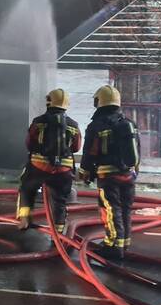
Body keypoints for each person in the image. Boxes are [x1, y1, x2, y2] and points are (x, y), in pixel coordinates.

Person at [79, 84, 141, 262]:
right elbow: (138, 150)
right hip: (128, 175)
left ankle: (113, 246)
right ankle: (124, 243)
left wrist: (85, 172)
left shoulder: (97, 126)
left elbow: (90, 152)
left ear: (99, 101)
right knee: (125, 209)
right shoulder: (129, 123)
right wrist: (135, 171)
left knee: (111, 210)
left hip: (108, 176)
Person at [16, 88, 81, 234]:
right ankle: (57, 232)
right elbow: (76, 147)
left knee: (27, 188)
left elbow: (29, 143)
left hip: (39, 166)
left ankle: (25, 218)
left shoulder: (39, 122)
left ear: (49, 102)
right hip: (63, 170)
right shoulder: (74, 125)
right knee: (59, 199)